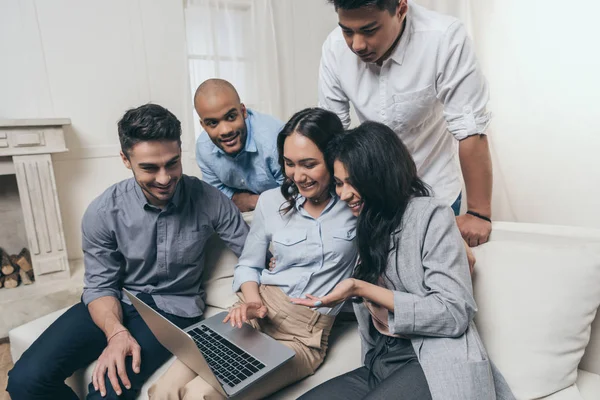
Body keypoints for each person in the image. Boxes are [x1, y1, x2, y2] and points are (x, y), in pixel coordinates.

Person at [6, 104, 249, 400]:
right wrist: (116, 332)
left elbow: (252, 254)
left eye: (172, 163)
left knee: (108, 393)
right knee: (25, 380)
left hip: (173, 310)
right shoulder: (103, 211)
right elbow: (99, 285)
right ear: (125, 159)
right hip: (117, 299)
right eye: (149, 167)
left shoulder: (211, 200)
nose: (164, 178)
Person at [292, 122, 515, 399]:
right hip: (381, 362)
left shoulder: (430, 215)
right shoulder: (367, 223)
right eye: (339, 183)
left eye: (353, 182)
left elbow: (454, 313)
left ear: (379, 176)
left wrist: (361, 288)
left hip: (431, 361)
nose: (344, 193)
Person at [148, 108, 359, 400]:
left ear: (334, 160)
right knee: (162, 390)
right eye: (289, 164)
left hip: (301, 336)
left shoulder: (356, 205)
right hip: (251, 313)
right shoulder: (272, 202)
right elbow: (248, 264)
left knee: (200, 395)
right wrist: (253, 303)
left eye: (309, 164)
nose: (298, 176)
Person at [320, 0, 493, 247]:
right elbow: (332, 134)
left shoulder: (444, 38)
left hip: (434, 189)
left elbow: (470, 130)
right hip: (371, 197)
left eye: (369, 30)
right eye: (347, 31)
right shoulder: (334, 47)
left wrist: (478, 213)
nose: (356, 45)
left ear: (401, 9)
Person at [195, 78, 284, 212]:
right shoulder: (204, 148)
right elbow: (214, 195)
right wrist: (245, 200)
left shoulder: (274, 140)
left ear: (243, 111)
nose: (225, 130)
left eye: (231, 117)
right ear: (203, 125)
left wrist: (255, 202)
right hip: (239, 217)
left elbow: (295, 193)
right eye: (213, 123)